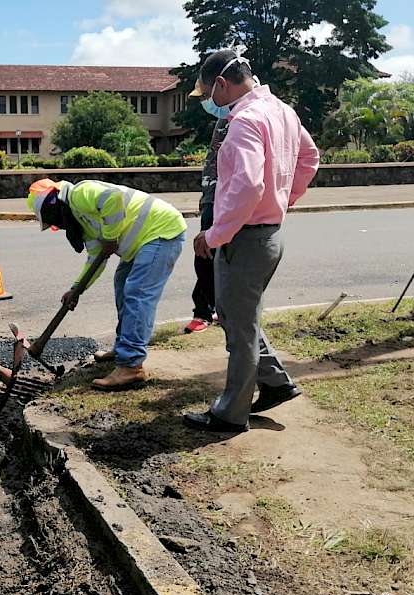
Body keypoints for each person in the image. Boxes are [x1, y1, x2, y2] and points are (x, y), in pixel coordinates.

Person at [182, 49, 320, 433]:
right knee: (239, 318)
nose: (210, 103)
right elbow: (310, 158)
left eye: (209, 94)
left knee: (237, 329)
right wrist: (285, 197)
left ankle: (230, 414)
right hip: (269, 235)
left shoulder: (244, 121)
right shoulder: (282, 111)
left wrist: (214, 235)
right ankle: (276, 383)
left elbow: (246, 186)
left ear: (222, 85)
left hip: (243, 239)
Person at [27, 178, 186, 390]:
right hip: (142, 243)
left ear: (54, 206)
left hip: (162, 231)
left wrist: (110, 237)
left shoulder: (80, 194)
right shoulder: (83, 221)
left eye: (53, 221)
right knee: (122, 286)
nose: (57, 226)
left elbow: (113, 198)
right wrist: (76, 289)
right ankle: (123, 348)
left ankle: (131, 366)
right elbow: (96, 257)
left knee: (137, 294)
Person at [183, 112, 228, 334]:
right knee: (205, 256)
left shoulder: (246, 117)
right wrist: (206, 196)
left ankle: (216, 310)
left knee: (223, 257)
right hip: (212, 196)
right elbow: (214, 160)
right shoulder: (224, 120)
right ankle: (204, 311)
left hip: (230, 197)